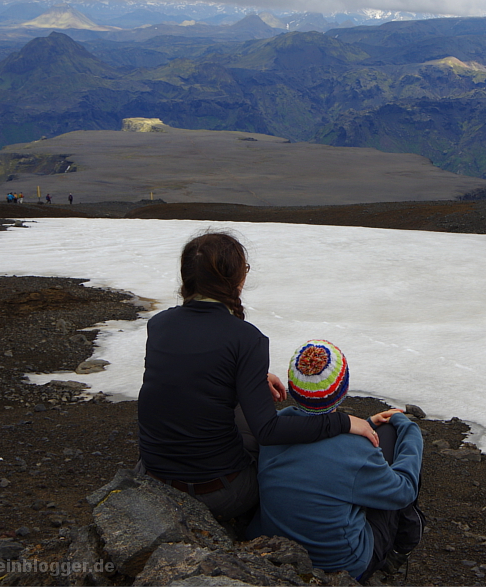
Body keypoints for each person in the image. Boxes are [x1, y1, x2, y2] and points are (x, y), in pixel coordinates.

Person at [136, 232, 380, 522]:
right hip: (219, 493)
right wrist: (342, 422)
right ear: (237, 280)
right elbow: (269, 431)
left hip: (152, 478)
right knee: (269, 445)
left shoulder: (160, 324)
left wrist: (249, 377)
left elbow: (180, 382)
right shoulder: (246, 339)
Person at [247, 340, 424, 581]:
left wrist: (368, 424)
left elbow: (317, 451)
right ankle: (399, 549)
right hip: (342, 564)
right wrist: (409, 428)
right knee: (392, 448)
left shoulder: (275, 429)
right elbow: (404, 490)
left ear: (293, 388)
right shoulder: (356, 451)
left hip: (275, 545)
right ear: (344, 387)